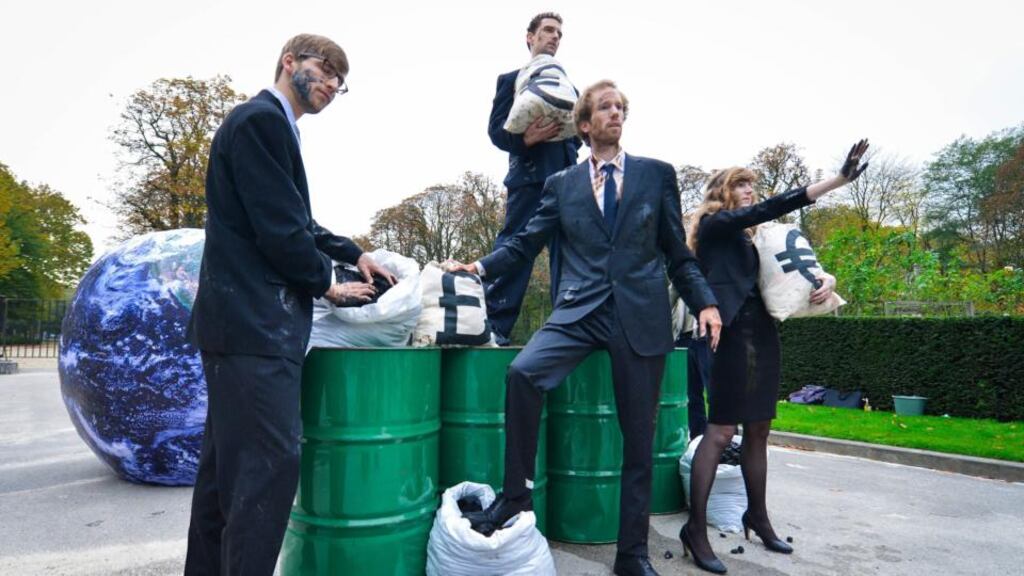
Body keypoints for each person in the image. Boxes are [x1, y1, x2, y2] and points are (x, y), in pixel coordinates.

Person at [451, 80, 722, 576]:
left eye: (620, 106)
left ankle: (632, 555)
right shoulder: (562, 185)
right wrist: (482, 268)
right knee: (522, 373)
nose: (615, 113)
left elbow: (677, 253)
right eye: (604, 107)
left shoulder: (656, 176)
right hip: (578, 311)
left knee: (639, 443)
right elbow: (525, 240)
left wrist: (704, 300)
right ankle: (515, 496)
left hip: (639, 317)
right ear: (584, 124)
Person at [184, 34, 394, 576]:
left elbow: (297, 221)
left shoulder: (275, 128)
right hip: (255, 327)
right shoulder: (261, 121)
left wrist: (356, 252)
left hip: (239, 329)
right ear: (288, 62)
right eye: (325, 70)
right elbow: (280, 231)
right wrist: (329, 284)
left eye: (339, 82)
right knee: (269, 468)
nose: (330, 84)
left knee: (222, 478)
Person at [679, 141, 869, 574]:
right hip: (726, 334)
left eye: (751, 184)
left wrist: (826, 278)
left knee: (760, 429)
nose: (749, 190)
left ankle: (757, 516)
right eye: (741, 184)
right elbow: (766, 211)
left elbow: (788, 265)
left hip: (762, 332)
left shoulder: (751, 238)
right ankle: (695, 529)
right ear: (722, 192)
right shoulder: (714, 225)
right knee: (721, 430)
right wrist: (836, 181)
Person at [485, 11, 582, 345]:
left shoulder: (570, 88)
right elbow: (496, 132)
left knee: (568, 253)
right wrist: (527, 139)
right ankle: (495, 325)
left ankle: (568, 327)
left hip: (568, 180)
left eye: (559, 33)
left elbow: (580, 135)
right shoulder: (509, 80)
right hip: (528, 179)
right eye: (548, 31)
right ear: (530, 37)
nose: (554, 37)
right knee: (516, 246)